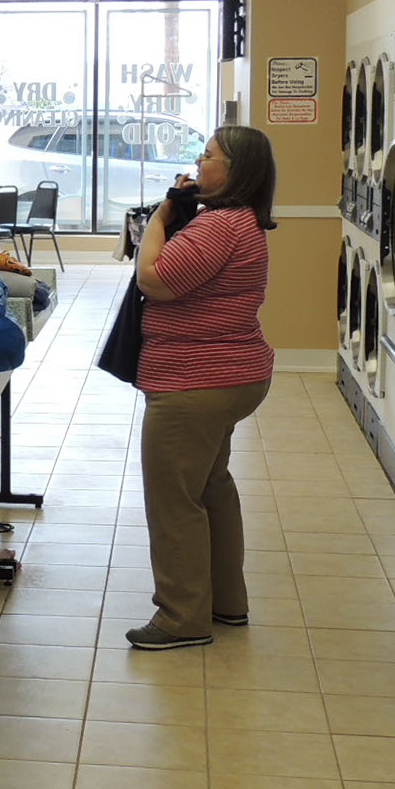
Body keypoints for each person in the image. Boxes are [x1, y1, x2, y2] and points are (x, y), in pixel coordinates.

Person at [125, 124, 277, 649]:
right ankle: (224, 602)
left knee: (175, 499)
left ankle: (181, 618)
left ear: (234, 171)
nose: (199, 162)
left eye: (208, 156)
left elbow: (155, 279)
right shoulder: (241, 222)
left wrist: (159, 219)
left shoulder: (220, 227)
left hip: (195, 381)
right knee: (211, 486)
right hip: (231, 375)